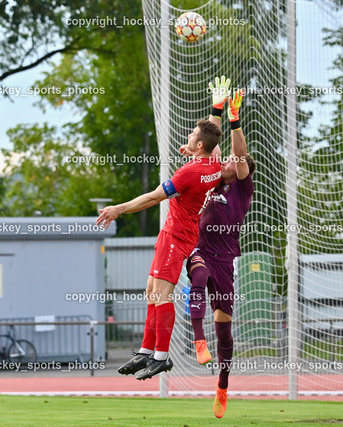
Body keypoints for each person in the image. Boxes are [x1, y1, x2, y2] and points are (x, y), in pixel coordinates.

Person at [96, 117, 223, 380]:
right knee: (151, 291)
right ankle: (146, 350)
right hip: (176, 233)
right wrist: (216, 111)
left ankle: (161, 357)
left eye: (193, 135)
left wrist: (119, 208)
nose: (188, 135)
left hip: (177, 235)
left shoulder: (190, 172)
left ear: (200, 145)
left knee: (162, 294)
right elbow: (215, 146)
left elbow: (154, 197)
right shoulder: (212, 163)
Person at [180, 78, 255, 418]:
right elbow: (210, 143)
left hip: (226, 260)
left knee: (225, 329)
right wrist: (217, 108)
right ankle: (198, 340)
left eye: (233, 165)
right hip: (200, 249)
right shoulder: (212, 175)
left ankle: (222, 387)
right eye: (224, 163)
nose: (226, 164)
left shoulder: (240, 186)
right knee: (197, 278)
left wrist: (236, 119)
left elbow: (238, 154)